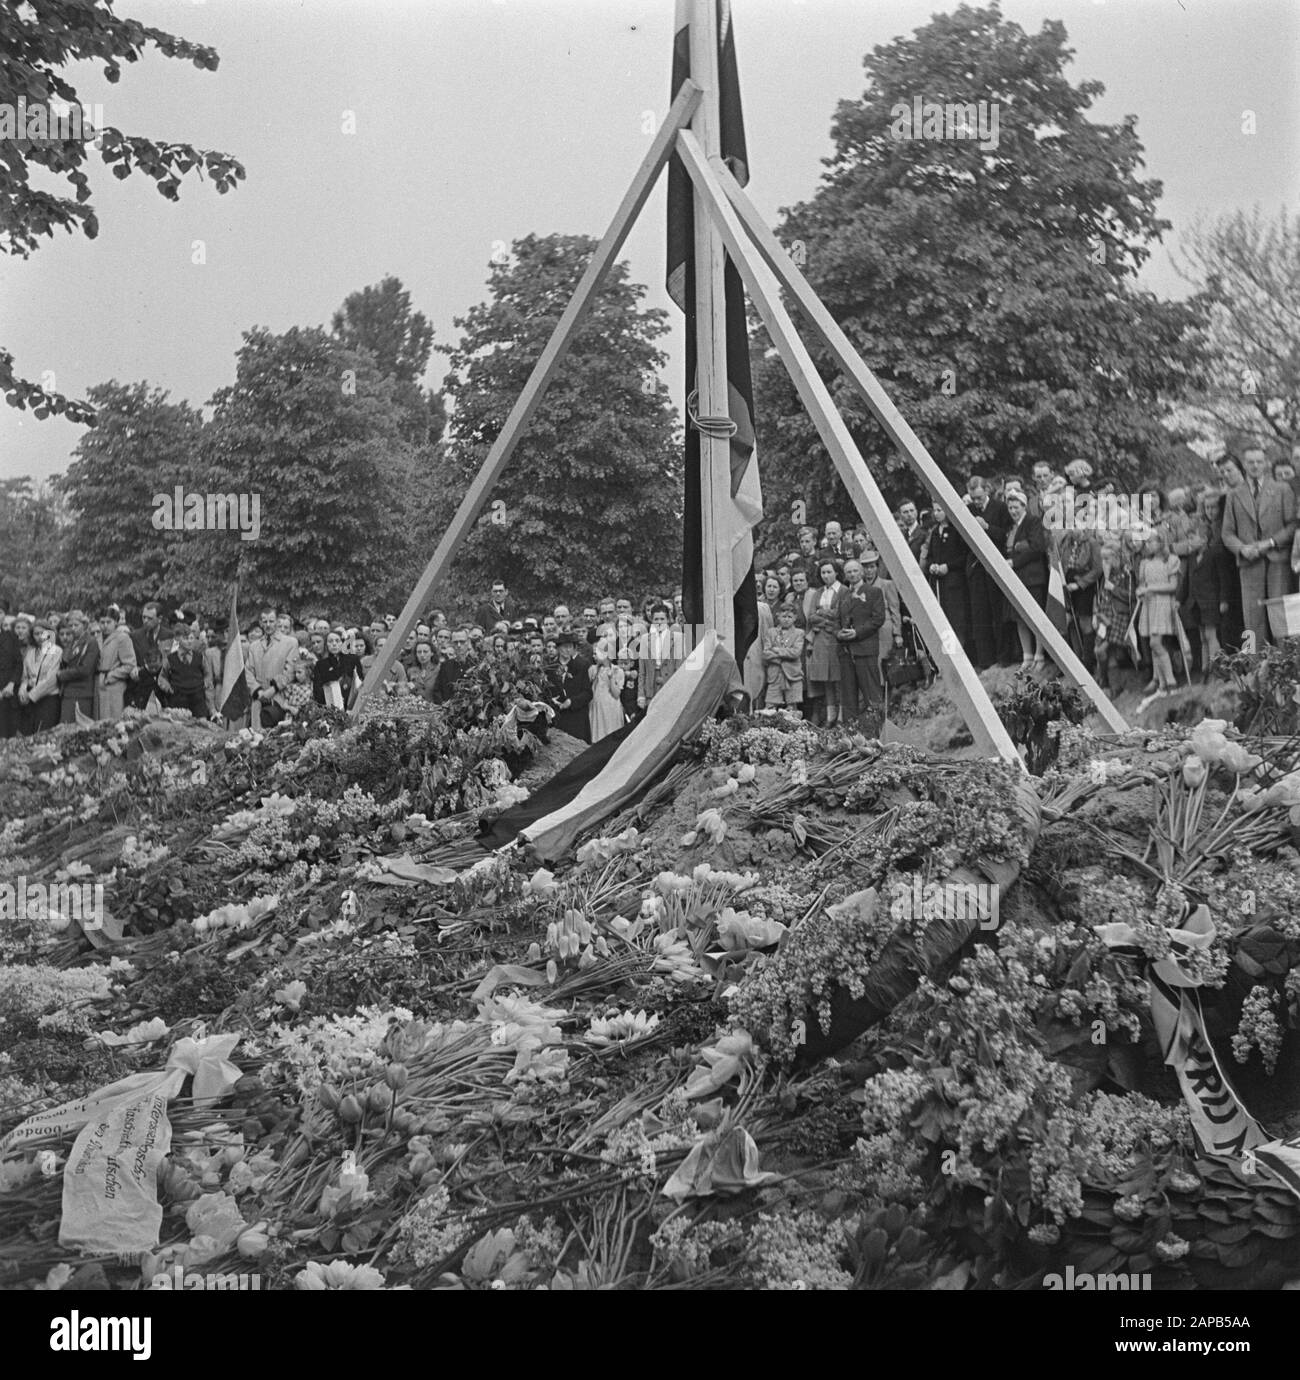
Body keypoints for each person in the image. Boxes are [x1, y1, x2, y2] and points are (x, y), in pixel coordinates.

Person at [1221, 445, 1297, 650]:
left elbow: (1291, 526)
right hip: (1249, 563)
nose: (1255, 466)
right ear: (1244, 465)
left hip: (1277, 561)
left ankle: (1285, 668)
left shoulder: (1282, 489)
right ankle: (1258, 671)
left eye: (1259, 461)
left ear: (1266, 463)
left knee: (1281, 616)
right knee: (1253, 620)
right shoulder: (1234, 494)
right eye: (1250, 462)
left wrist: (1270, 543)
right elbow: (1227, 533)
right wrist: (1242, 548)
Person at [963, 475, 1011, 669]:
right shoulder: (968, 510)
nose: (976, 502)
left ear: (988, 491)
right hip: (976, 568)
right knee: (980, 614)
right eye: (973, 498)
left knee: (998, 612)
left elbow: (1006, 536)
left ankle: (1004, 657)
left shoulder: (1000, 508)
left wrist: (987, 527)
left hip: (996, 566)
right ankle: (985, 660)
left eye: (980, 498)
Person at [1136, 527, 1183, 707]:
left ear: (1161, 541)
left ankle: (1171, 683)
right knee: (1155, 645)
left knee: (1155, 643)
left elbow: (1172, 586)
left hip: (1163, 604)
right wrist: (1141, 591)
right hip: (1150, 604)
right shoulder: (1144, 563)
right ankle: (1163, 685)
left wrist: (1151, 589)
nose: (1148, 545)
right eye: (1146, 542)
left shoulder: (1171, 560)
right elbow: (1142, 585)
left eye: (1151, 541)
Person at [1004, 487, 1049, 668]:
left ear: (1024, 506)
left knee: (1035, 616)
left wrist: (1015, 562)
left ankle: (1039, 655)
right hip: (1018, 579)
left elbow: (1037, 547)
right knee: (1020, 617)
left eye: (1016, 507)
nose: (1013, 511)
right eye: (1010, 508)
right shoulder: (1012, 527)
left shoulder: (1033, 521)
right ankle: (1027, 656)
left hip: (1032, 577)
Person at [837, 557, 886, 724]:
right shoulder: (843, 595)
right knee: (849, 698)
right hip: (846, 652)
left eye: (855, 571)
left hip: (865, 649)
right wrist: (839, 633)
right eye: (848, 572)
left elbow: (878, 619)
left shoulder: (873, 592)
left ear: (862, 572)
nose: (852, 574)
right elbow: (838, 619)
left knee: (872, 694)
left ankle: (879, 733)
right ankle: (850, 737)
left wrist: (856, 633)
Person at [920, 501, 969, 655]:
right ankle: (950, 652)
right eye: (935, 510)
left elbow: (963, 555)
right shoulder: (935, 532)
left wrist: (948, 566)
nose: (937, 513)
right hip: (939, 583)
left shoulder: (956, 531)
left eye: (940, 510)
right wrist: (932, 565)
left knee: (957, 618)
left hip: (955, 581)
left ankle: (962, 652)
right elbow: (931, 555)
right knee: (944, 618)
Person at [806, 558, 847, 725]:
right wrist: (825, 616)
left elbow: (840, 614)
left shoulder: (843, 591)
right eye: (823, 572)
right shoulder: (818, 592)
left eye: (829, 572)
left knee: (840, 678)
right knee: (827, 679)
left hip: (836, 638)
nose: (826, 575)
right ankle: (831, 716)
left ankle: (842, 715)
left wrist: (822, 614)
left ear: (836, 572)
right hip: (821, 640)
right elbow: (811, 616)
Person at [158, 624, 214, 720]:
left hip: (198, 701)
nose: (189, 642)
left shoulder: (200, 657)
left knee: (201, 728)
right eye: (185, 638)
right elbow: (162, 677)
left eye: (191, 638)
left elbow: (207, 674)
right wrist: (168, 688)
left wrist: (205, 683)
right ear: (178, 639)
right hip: (177, 701)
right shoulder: (170, 659)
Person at [18, 618, 63, 734]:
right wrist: (22, 690)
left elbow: (51, 679)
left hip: (48, 698)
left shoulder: (56, 651)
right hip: (30, 699)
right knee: (30, 733)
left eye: (42, 633)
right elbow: (25, 676)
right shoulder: (30, 652)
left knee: (45, 733)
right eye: (36, 634)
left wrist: (31, 695)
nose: (39, 636)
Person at [55, 608, 99, 723]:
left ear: (84, 625)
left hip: (81, 692)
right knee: (65, 728)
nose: (73, 628)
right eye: (71, 625)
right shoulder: (72, 642)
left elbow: (85, 669)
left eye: (76, 625)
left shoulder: (91, 642)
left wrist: (62, 674)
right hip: (68, 692)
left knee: (79, 727)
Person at [94, 608, 138, 720]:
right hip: (98, 683)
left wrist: (111, 676)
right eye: (102, 622)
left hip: (115, 685)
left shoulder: (122, 638)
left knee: (113, 718)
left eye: (108, 622)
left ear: (116, 622)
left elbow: (130, 664)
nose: (105, 625)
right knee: (98, 718)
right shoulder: (96, 638)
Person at [550, 631, 593, 742]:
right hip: (558, 716)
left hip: (576, 717)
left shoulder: (582, 665)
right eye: (564, 647)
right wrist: (552, 701)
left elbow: (588, 693)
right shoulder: (550, 668)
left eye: (570, 647)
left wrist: (571, 702)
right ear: (558, 648)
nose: (567, 650)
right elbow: (547, 691)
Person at [762, 603, 805, 714]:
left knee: (792, 709)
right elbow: (766, 653)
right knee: (769, 707)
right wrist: (782, 658)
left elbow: (796, 652)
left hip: (793, 675)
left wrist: (777, 650)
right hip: (775, 675)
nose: (786, 620)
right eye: (784, 616)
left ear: (795, 618)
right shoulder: (771, 632)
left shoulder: (799, 633)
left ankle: (792, 729)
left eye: (789, 617)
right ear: (778, 616)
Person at [637, 603, 680, 712]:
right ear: (652, 620)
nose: (659, 622)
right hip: (651, 686)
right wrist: (641, 694)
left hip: (670, 684)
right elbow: (642, 671)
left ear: (668, 619)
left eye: (662, 619)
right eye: (656, 619)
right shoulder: (645, 640)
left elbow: (679, 669)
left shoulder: (677, 638)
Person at [588, 630, 625, 742]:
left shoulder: (617, 671)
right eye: (594, 653)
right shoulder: (592, 670)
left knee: (612, 736)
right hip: (597, 707)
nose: (595, 656)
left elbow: (616, 694)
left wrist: (611, 678)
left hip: (611, 707)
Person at [313, 628, 361, 710]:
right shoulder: (321, 664)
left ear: (342, 642)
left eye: (337, 641)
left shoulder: (353, 660)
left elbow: (360, 681)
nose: (334, 644)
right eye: (330, 641)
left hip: (352, 704)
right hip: (330, 706)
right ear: (326, 645)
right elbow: (317, 689)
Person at [433, 627, 473, 703]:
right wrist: (443, 704)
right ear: (451, 643)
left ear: (468, 642)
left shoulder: (475, 664)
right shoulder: (445, 665)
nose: (458, 645)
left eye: (462, 642)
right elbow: (437, 689)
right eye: (455, 642)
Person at [0, 605, 23, 738]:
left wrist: (12, 683)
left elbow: (18, 663)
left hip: (9, 693)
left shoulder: (11, 637)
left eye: (0, 612)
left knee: (8, 735)